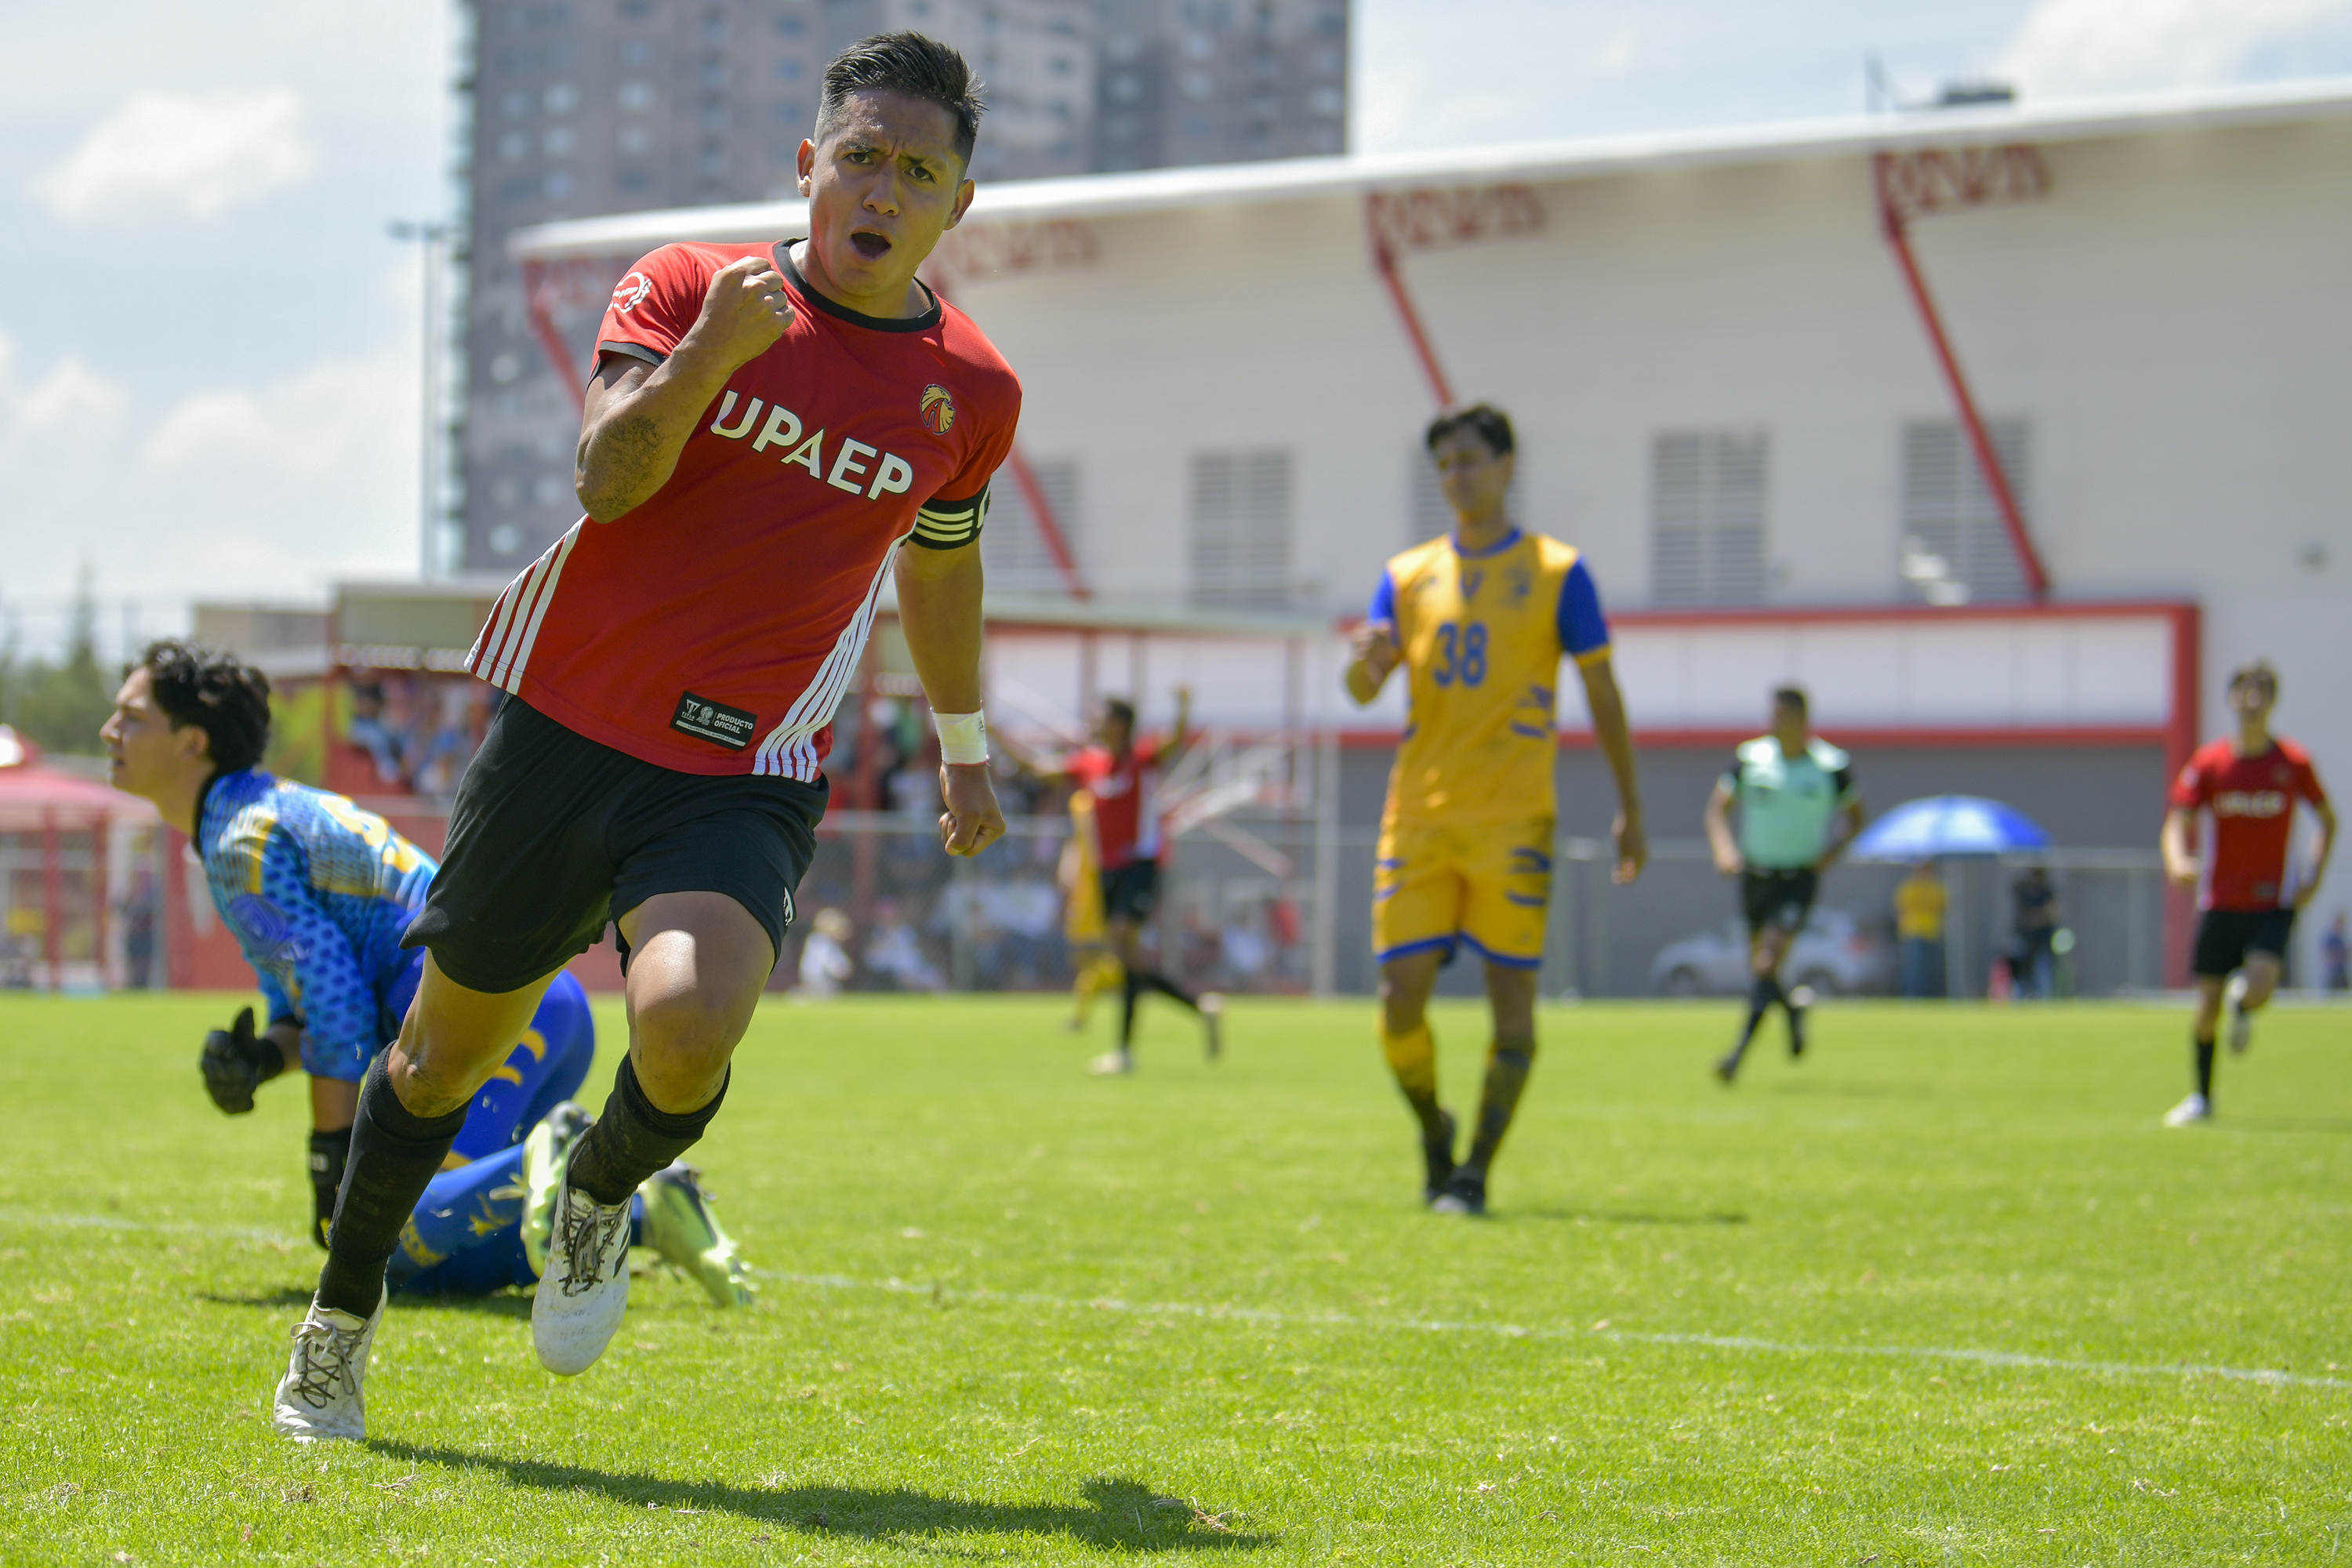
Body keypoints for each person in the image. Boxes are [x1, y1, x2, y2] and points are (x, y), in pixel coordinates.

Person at [264, 32, 1018, 1442]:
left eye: (918, 171)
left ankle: (601, 1190)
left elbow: (943, 564)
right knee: (434, 1065)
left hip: (744, 765)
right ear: (810, 166)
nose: (882, 187)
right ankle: (337, 1328)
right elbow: (609, 484)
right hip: (563, 731)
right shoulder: (688, 287)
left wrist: (962, 742)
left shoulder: (973, 396)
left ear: (955, 208)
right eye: (860, 155)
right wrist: (719, 356)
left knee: (685, 1025)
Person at [98, 642, 751, 1306]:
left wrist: (331, 1163)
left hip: (483, 1015)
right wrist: (265, 1056)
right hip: (535, 1009)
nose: (109, 732)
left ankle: (555, 1161)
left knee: (383, 1230)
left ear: (191, 741)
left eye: (132, 716)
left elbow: (339, 1011)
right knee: (436, 1267)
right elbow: (311, 998)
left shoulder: (240, 838)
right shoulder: (256, 816)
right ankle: (647, 1211)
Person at [1344, 403, 1646, 1217]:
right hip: (1419, 818)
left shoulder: (1558, 571)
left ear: (1508, 465)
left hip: (1516, 822)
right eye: (1444, 465)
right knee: (1398, 997)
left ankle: (1476, 1169)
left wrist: (1630, 806)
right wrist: (1363, 666)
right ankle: (1432, 1131)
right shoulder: (1406, 575)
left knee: (1510, 1001)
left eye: (1471, 459)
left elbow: (1604, 694)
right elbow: (1364, 688)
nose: (1457, 477)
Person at [2159, 660, 2336, 1127]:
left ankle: (2245, 1003)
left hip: (2272, 900)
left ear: (2272, 701)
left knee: (2258, 986)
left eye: (2262, 692)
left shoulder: (2293, 763)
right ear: (2232, 699)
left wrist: (2314, 871)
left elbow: (2327, 820)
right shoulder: (2210, 763)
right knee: (2204, 1010)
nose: (2252, 701)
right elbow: (2178, 819)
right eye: (2245, 691)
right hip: (2220, 901)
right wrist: (2177, 860)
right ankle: (2201, 1098)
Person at [1007, 694, 1223, 1073]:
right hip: (1106, 870)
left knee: (1123, 940)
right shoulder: (1089, 763)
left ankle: (1127, 1052)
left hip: (1140, 864)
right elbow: (1039, 769)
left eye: (1101, 717)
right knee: (1127, 959)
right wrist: (993, 734)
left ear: (1121, 724)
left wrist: (1183, 708)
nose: (1094, 722)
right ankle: (1196, 1009)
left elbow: (1174, 739)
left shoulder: (1142, 758)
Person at [1704, 686, 1864, 1083]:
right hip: (1756, 876)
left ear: (1801, 720)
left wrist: (1830, 854)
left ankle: (1736, 1058)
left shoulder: (1830, 766)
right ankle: (1793, 1010)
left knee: (1766, 962)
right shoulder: (1750, 758)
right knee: (1764, 970)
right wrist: (1724, 849)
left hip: (1797, 879)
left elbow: (1856, 817)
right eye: (1770, 715)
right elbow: (1717, 810)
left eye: (1780, 716)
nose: (1772, 723)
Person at [1057, 788, 1123, 1030]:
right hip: (1087, 889)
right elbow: (1077, 843)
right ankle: (1082, 1014)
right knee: (1090, 958)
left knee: (1095, 956)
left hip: (1093, 891)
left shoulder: (1087, 802)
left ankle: (1082, 1015)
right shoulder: (1085, 801)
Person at [1893, 860, 1946, 999]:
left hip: (1930, 931)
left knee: (1927, 968)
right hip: (1913, 931)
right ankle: (1912, 996)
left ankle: (1924, 996)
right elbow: (1900, 908)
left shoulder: (1935, 887)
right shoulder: (1909, 887)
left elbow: (1942, 906)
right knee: (1913, 967)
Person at [2009, 866, 2060, 1000]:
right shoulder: (2025, 892)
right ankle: (2020, 998)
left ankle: (2046, 998)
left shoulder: (2047, 892)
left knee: (2044, 969)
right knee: (2022, 969)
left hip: (2043, 938)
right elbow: (2023, 916)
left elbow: (2050, 913)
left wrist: (2035, 918)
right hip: (2026, 937)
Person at [2325, 911, 2350, 993]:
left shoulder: (2341, 938)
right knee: (2334, 994)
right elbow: (2330, 953)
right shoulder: (2331, 938)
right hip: (2334, 972)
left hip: (2342, 970)